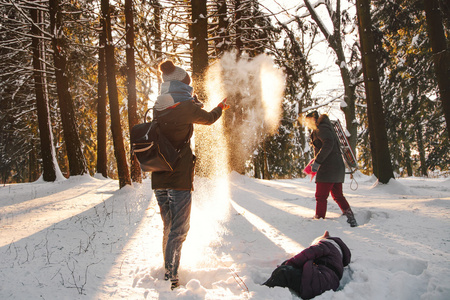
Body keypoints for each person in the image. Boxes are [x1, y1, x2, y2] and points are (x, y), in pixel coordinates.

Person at [152, 60, 229, 290]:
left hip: (159, 177)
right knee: (180, 228)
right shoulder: (185, 107)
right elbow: (208, 118)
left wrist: (192, 103)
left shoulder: (159, 104)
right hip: (179, 178)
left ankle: (168, 269)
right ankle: (171, 276)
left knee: (168, 225)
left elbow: (178, 118)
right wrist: (220, 107)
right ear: (182, 84)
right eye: (188, 83)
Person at [304, 111, 358, 227]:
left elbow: (328, 144)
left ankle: (319, 220)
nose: (307, 124)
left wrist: (318, 161)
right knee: (338, 195)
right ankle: (350, 217)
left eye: (308, 121)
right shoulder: (325, 127)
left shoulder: (321, 129)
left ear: (313, 119)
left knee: (321, 196)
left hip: (328, 168)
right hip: (336, 167)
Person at [263, 231, 351, 299]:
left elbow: (307, 254)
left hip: (317, 281)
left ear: (325, 237)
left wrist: (287, 264)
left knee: (283, 272)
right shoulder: (337, 256)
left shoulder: (326, 244)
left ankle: (261, 292)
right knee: (289, 269)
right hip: (326, 287)